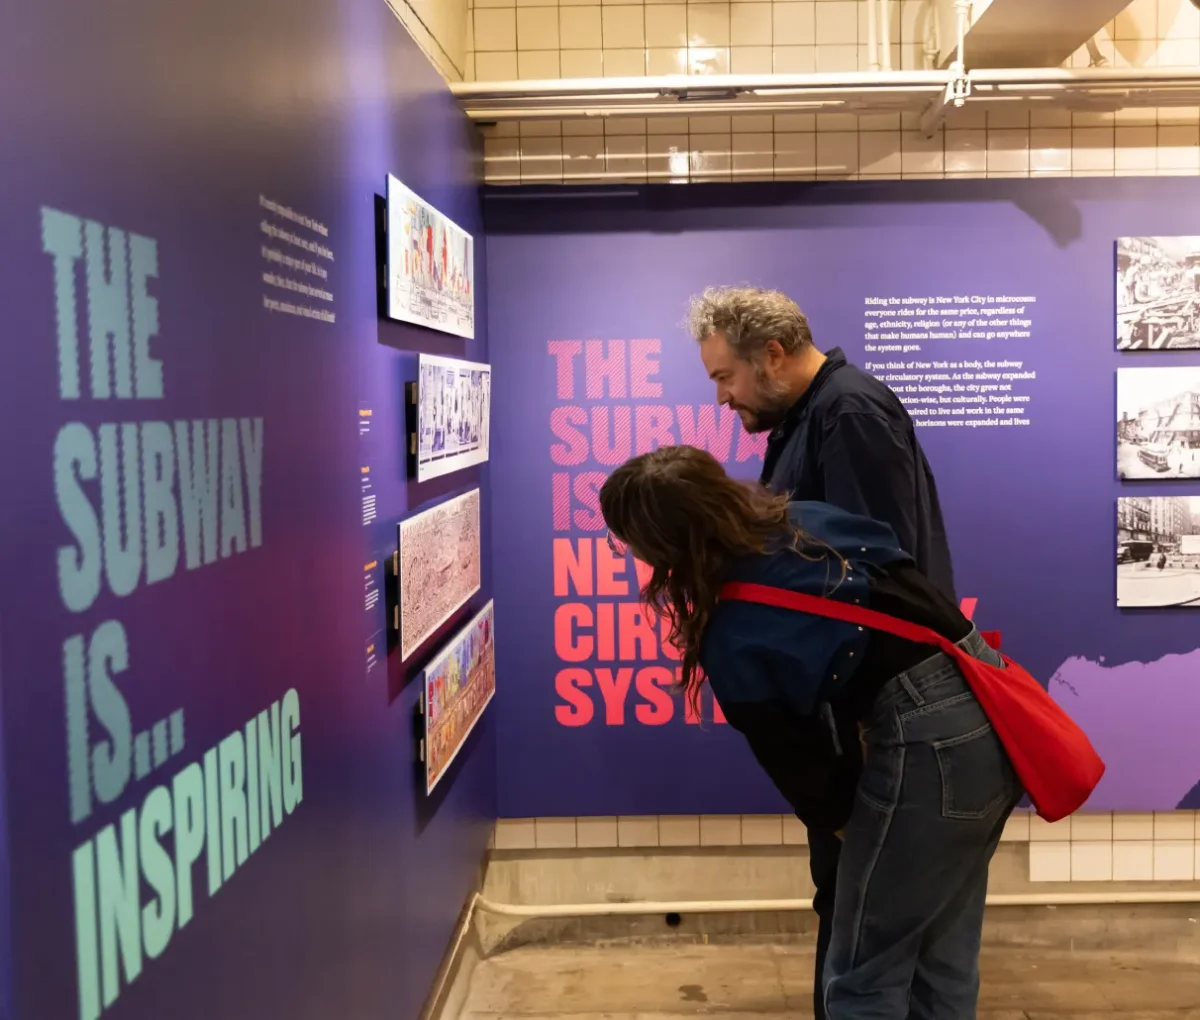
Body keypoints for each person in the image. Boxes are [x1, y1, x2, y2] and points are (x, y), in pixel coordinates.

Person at [600, 446, 1019, 1020]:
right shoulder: (810, 519)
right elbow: (909, 581)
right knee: (943, 957)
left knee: (862, 975)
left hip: (929, 747)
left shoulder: (733, 632)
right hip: (994, 713)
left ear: (662, 544)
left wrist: (870, 827)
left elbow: (809, 779)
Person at [687, 286, 956, 1017]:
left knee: (862, 919)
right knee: (869, 915)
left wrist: (867, 738)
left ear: (771, 356)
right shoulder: (810, 414)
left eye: (724, 378)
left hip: (881, 715)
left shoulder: (847, 412)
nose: (722, 399)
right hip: (865, 710)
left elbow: (873, 578)